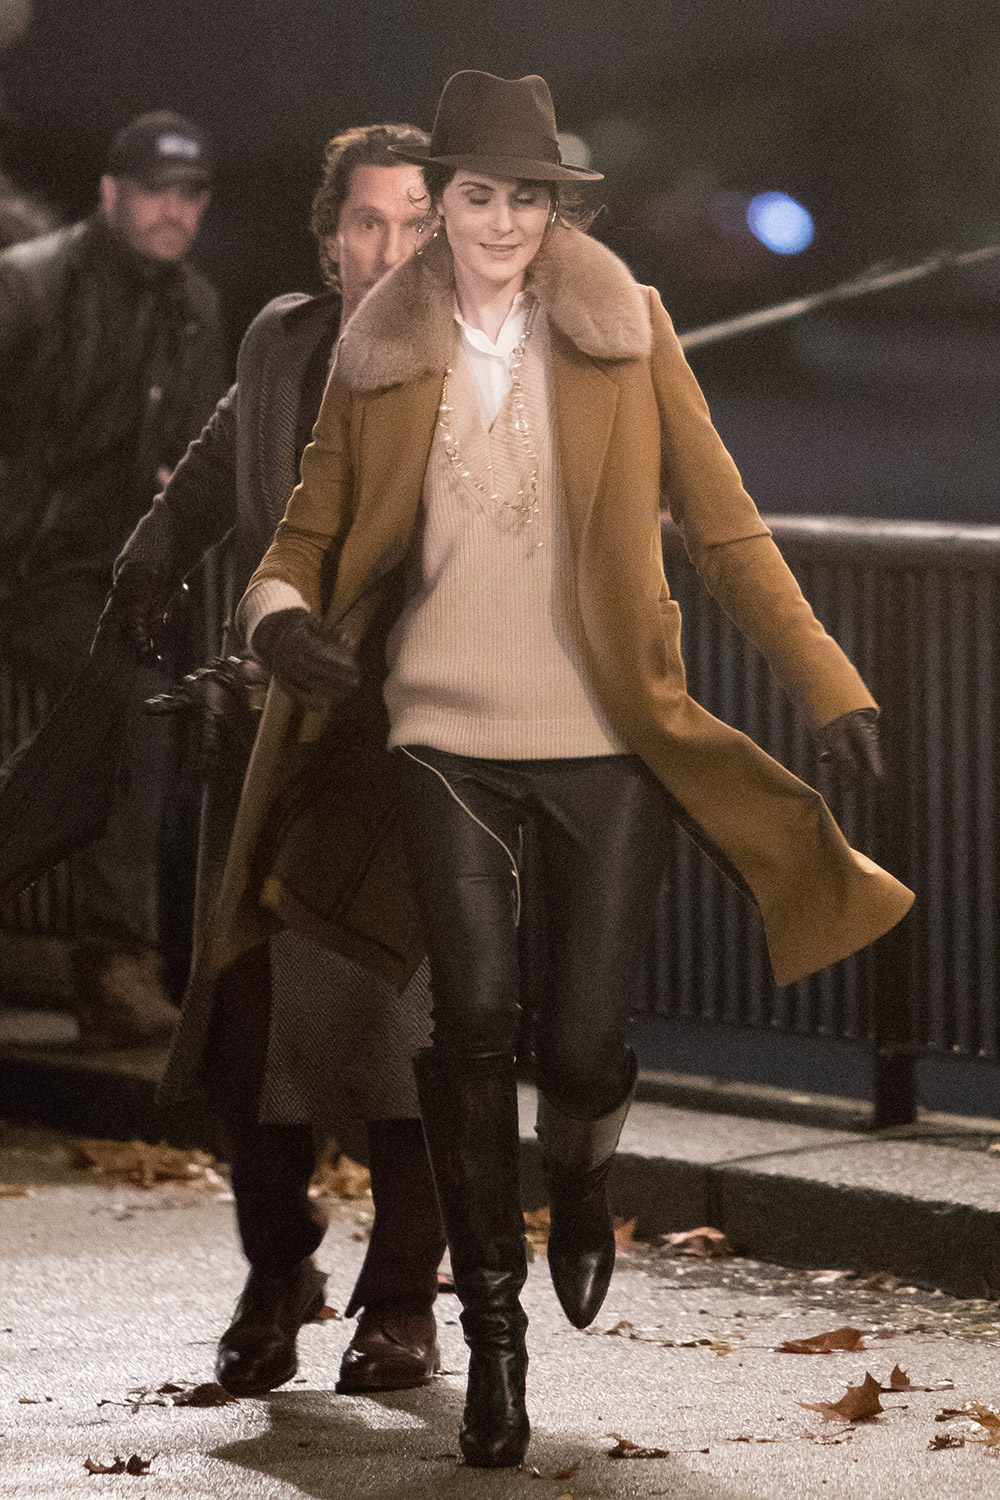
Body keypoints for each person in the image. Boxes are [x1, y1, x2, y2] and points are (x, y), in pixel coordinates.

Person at [218, 71, 913, 1467]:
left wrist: (826, 680)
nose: (499, 220)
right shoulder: (379, 351)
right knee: (469, 1032)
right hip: (440, 738)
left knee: (582, 1043)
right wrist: (282, 626)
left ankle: (583, 1182)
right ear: (445, 207)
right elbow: (297, 543)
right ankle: (495, 1346)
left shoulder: (624, 325)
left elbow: (725, 528)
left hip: (605, 737)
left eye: (524, 197)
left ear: (551, 208)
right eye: (475, 193)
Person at [106, 125, 445, 1398]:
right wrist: (150, 558)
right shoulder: (282, 339)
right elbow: (216, 466)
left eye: (417, 223)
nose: (389, 248)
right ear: (329, 234)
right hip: (265, 736)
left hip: (408, 743)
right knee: (242, 1027)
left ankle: (404, 1299)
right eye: (368, 222)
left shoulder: (470, 365)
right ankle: (274, 1270)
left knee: (398, 1021)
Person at [0, 111, 225, 1044]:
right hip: (17, 565)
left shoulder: (195, 308)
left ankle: (135, 962)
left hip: (93, 579)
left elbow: (193, 455)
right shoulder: (28, 284)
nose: (174, 210)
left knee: (172, 699)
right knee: (134, 702)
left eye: (190, 194)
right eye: (155, 190)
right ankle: (116, 965)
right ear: (110, 193)